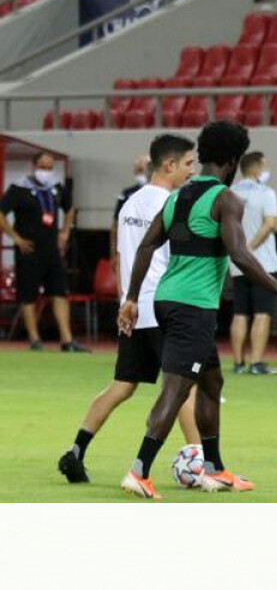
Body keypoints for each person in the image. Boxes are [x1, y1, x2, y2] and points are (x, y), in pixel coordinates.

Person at [117, 120, 277, 499]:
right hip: (193, 306)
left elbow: (146, 246)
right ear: (233, 159)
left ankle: (214, 469)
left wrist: (132, 298)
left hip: (168, 299)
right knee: (176, 389)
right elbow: (240, 255)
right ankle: (138, 471)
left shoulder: (176, 197)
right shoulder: (225, 199)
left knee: (212, 381)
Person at [58, 135, 199, 484]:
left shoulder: (130, 203)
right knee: (183, 386)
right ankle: (203, 464)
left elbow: (123, 258)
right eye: (188, 163)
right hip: (164, 305)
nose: (192, 170)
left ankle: (75, 450)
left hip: (133, 307)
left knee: (123, 385)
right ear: (169, 164)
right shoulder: (173, 203)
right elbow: (177, 259)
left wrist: (126, 302)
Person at [0, 151, 87, 352]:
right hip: (28, 250)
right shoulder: (18, 189)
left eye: (49, 167)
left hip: (51, 250)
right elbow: (1, 214)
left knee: (59, 293)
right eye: (42, 167)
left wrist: (65, 232)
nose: (46, 171)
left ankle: (67, 340)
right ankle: (34, 340)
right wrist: (16, 238)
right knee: (28, 295)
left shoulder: (56, 188)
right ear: (33, 166)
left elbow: (70, 209)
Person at [228, 152, 277, 375]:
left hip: (237, 262)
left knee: (240, 313)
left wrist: (239, 250)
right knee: (262, 313)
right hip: (263, 263)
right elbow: (269, 224)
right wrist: (251, 246)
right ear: (257, 169)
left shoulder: (230, 193)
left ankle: (238, 362)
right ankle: (257, 362)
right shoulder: (266, 193)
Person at [109, 154, 151, 275]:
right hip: (130, 249)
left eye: (143, 169)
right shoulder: (126, 194)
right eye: (138, 170)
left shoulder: (163, 194)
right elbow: (115, 226)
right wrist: (114, 253)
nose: (141, 173)